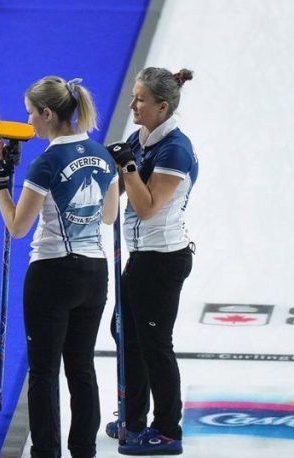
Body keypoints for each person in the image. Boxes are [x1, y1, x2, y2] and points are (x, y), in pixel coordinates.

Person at [0, 76, 119, 458]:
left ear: (47, 113)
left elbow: (17, 226)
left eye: (31, 114)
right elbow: (109, 215)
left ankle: (46, 451)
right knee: (81, 368)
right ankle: (83, 450)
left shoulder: (45, 163)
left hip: (52, 273)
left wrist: (0, 186)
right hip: (94, 273)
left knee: (44, 371)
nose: (29, 122)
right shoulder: (103, 154)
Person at [104, 68, 198, 456]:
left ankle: (167, 429)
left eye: (140, 99)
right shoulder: (139, 138)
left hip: (164, 257)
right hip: (142, 256)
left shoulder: (175, 148)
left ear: (162, 106)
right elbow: (121, 188)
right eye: (133, 96)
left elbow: (144, 207)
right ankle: (133, 415)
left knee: (155, 342)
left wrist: (126, 168)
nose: (133, 105)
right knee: (125, 333)